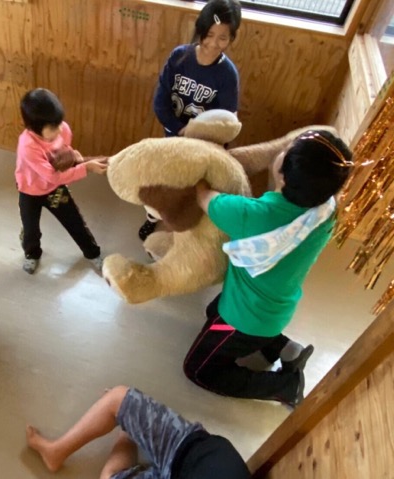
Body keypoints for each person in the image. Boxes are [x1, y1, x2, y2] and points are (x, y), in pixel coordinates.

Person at [184, 129, 353, 408]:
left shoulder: (250, 216)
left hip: (241, 320)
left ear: (284, 175)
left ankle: (284, 386)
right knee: (211, 311)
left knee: (197, 369)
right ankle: (285, 349)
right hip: (275, 311)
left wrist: (206, 161)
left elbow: (203, 194)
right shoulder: (327, 210)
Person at [140, 0, 242, 241]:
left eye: (223, 38)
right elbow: (160, 101)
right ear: (200, 29)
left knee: (189, 190)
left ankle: (178, 234)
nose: (214, 43)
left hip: (202, 147)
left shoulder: (227, 75)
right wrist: (178, 129)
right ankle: (151, 219)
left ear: (232, 38)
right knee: (163, 183)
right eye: (209, 35)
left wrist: (199, 139)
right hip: (172, 137)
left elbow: (224, 121)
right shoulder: (179, 57)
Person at [26, 385, 251, 479]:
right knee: (117, 397)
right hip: (189, 444)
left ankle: (128, 431)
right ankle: (56, 451)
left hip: (188, 458)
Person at [15, 88, 108, 275]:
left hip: (55, 191)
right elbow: (52, 176)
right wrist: (86, 168)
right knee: (30, 229)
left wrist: (72, 155)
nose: (60, 130)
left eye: (59, 124)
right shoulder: (28, 146)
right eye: (52, 128)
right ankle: (32, 254)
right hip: (30, 191)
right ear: (33, 127)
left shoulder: (62, 128)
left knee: (75, 222)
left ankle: (93, 253)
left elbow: (64, 150)